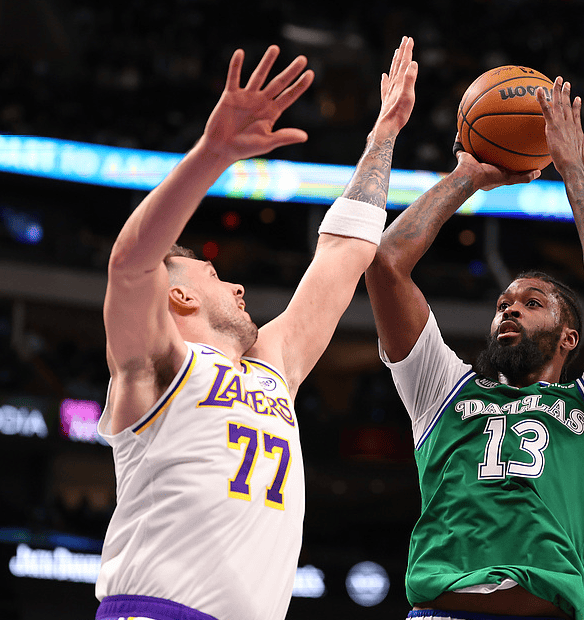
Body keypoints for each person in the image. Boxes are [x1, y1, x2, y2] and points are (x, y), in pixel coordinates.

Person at [95, 38, 417, 620]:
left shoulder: (273, 367)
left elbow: (344, 251)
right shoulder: (156, 366)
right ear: (179, 295)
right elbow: (131, 264)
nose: (238, 287)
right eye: (215, 275)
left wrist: (384, 134)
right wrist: (213, 153)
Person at [365, 77, 584, 620]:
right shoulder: (441, 390)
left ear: (569, 338)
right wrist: (466, 177)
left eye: (532, 302)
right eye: (503, 304)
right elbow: (385, 263)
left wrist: (573, 169)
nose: (510, 310)